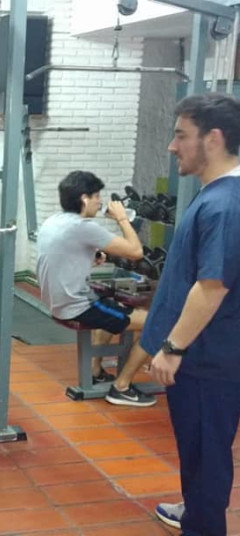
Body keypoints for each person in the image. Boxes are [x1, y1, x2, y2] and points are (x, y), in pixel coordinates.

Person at [144, 93, 240, 536]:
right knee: (201, 454)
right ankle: (196, 512)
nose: (172, 146)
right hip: (207, 356)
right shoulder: (217, 197)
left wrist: (173, 347)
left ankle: (202, 525)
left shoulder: (224, 205)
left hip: (206, 361)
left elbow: (212, 286)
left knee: (205, 458)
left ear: (213, 139)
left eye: (181, 135)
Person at [36, 170, 155, 407]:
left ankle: (95, 370)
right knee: (158, 323)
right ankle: (121, 387)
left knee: (115, 304)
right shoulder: (83, 227)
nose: (100, 202)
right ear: (84, 198)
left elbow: (63, 256)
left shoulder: (54, 221)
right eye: (97, 196)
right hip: (78, 307)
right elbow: (135, 252)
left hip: (58, 303)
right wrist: (122, 219)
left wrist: (91, 257)